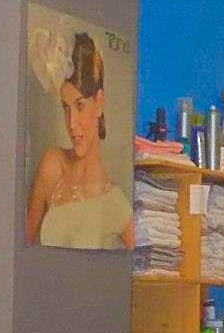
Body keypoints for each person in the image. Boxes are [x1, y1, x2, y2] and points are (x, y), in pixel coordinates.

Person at [27, 32, 133, 250]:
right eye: (66, 108)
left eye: (80, 105)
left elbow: (144, 263)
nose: (72, 123)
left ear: (99, 103)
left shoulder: (116, 204)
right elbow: (23, 247)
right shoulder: (52, 164)